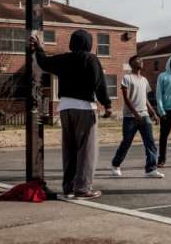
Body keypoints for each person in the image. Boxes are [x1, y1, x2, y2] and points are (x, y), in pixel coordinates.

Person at [30, 30, 112, 200]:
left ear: (72, 43)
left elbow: (44, 63)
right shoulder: (91, 59)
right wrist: (107, 104)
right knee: (86, 150)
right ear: (89, 44)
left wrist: (38, 48)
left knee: (70, 149)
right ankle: (82, 189)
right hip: (85, 108)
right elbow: (100, 84)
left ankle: (68, 187)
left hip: (65, 107)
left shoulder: (64, 59)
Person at [111, 55, 164, 178]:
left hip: (144, 115)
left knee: (150, 143)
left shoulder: (144, 80)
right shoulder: (127, 78)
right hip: (130, 117)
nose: (141, 61)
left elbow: (145, 100)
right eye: (137, 60)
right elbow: (126, 98)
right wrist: (135, 114)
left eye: (141, 60)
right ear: (131, 64)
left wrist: (153, 113)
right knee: (126, 143)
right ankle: (115, 165)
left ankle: (151, 169)